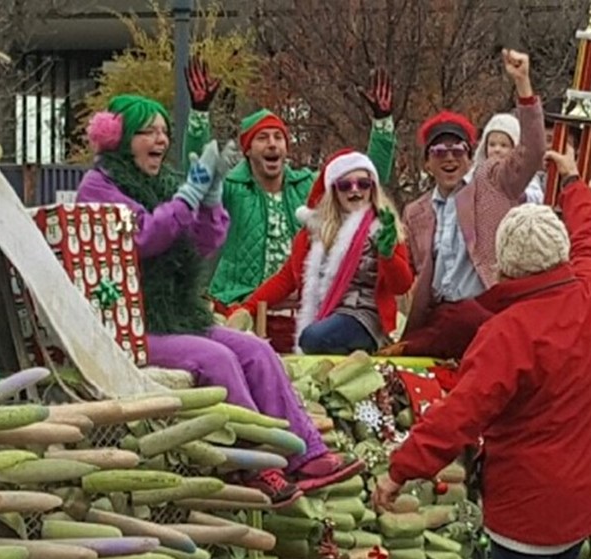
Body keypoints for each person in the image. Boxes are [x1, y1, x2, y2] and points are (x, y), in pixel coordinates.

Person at [375, 144, 591, 559]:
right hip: (584, 493)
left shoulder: (506, 333)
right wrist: (572, 184)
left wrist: (400, 471)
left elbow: (459, 413)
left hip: (527, 503)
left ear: (505, 263)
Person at [75, 94, 363, 504]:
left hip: (175, 315)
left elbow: (203, 243)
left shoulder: (164, 183)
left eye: (163, 131)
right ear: (116, 138)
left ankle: (305, 452)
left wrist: (210, 201)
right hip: (129, 325)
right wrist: (189, 195)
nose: (159, 139)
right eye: (146, 132)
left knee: (254, 349)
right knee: (216, 359)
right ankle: (255, 463)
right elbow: (141, 237)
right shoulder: (99, 185)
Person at [185, 60, 399, 346]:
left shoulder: (307, 186)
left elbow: (364, 179)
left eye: (278, 138)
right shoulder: (232, 189)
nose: (272, 144)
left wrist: (382, 124)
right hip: (238, 304)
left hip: (298, 310)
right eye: (263, 138)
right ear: (248, 150)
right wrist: (199, 116)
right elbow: (200, 174)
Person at [386, 49, 547, 359]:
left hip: (484, 310)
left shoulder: (491, 183)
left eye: (458, 150)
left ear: (471, 157)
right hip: (436, 316)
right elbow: (403, 276)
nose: (449, 158)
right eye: (439, 152)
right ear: (426, 164)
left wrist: (523, 85)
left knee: (462, 321)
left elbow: (533, 151)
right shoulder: (415, 212)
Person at [228, 149, 414, 354]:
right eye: (345, 185)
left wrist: (387, 256)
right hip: (327, 316)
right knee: (310, 338)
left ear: (372, 188)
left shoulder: (383, 227)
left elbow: (401, 285)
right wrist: (248, 307)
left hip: (365, 316)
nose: (355, 191)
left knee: (313, 338)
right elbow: (285, 278)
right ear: (333, 190)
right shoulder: (315, 233)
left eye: (363, 184)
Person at [473, 112, 545, 204]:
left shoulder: (523, 173)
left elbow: (538, 196)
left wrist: (522, 196)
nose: (497, 149)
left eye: (504, 145)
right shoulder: (477, 172)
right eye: (492, 144)